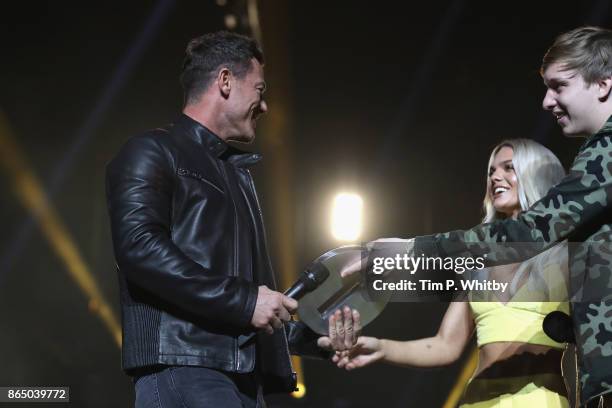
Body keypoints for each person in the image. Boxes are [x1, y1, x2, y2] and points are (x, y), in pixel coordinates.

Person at [340, 26, 612, 407]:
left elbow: (532, 231)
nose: (547, 101)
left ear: (603, 84)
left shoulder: (604, 157)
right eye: (491, 171)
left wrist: (409, 251)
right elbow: (446, 340)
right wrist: (382, 338)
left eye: (559, 86)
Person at [106, 31, 324, 408]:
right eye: (260, 88)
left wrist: (320, 339)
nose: (265, 105)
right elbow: (138, 248)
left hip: (238, 378)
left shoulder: (237, 177)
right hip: (182, 368)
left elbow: (249, 305)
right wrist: (246, 301)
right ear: (225, 81)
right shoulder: (151, 150)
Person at [326, 139, 572, 407]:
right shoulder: (478, 262)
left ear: (538, 174)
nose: (495, 177)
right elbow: (445, 345)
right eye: (491, 171)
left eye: (509, 168)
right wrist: (381, 348)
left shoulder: (567, 255)